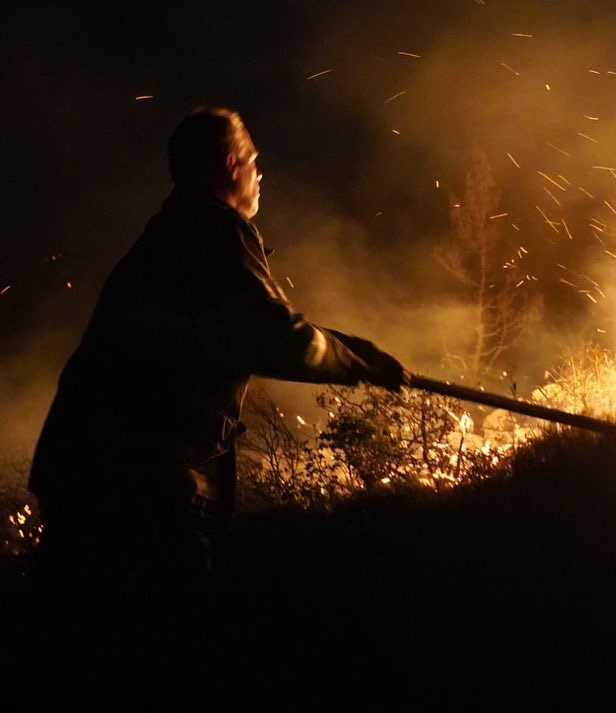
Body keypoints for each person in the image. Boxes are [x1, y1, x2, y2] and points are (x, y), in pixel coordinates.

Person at [28, 106, 410, 583]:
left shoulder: (172, 233)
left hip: (86, 466)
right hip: (144, 479)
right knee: (162, 630)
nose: (260, 174)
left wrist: (351, 347)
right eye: (253, 161)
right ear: (231, 165)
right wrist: (355, 362)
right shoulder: (213, 226)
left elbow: (242, 326)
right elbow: (271, 336)